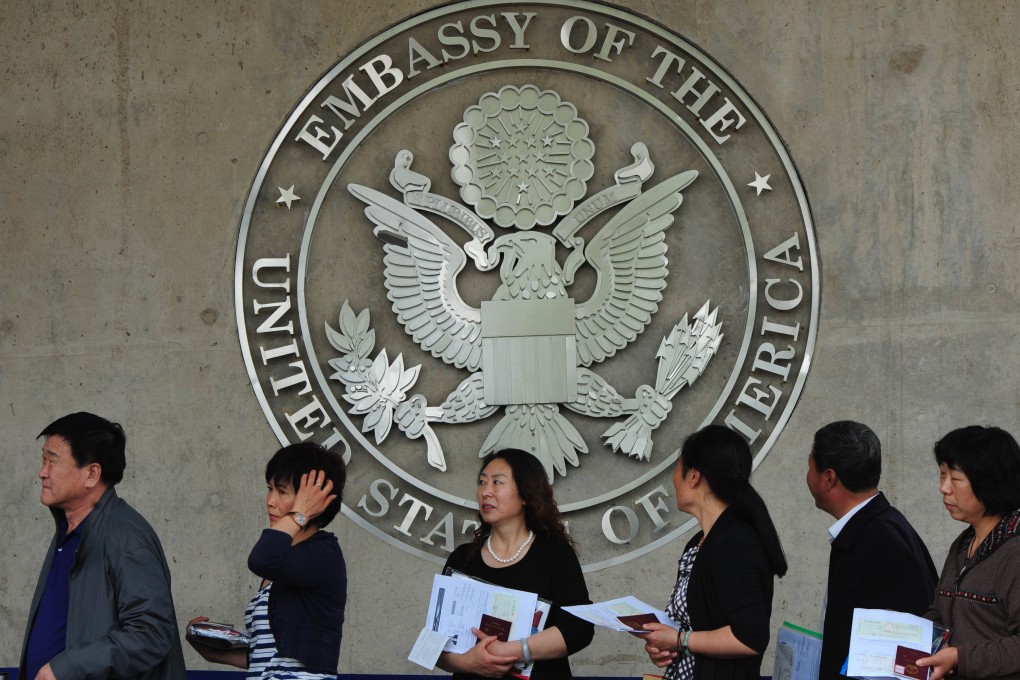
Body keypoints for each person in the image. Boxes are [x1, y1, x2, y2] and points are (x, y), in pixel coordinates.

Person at [19, 412, 187, 680]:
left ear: (91, 474)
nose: (42, 472)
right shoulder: (68, 530)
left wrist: (68, 668)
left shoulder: (125, 536)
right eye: (43, 459)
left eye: (52, 460)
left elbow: (151, 633)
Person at [638, 425, 788, 680]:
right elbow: (695, 626)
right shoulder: (700, 542)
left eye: (677, 467)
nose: (674, 478)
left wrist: (680, 639)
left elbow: (749, 637)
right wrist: (665, 645)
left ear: (694, 476)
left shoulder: (736, 542)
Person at [186, 442, 347, 678]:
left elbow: (260, 559)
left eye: (282, 492)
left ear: (314, 501)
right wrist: (214, 653)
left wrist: (299, 514)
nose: (270, 500)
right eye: (270, 488)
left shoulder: (322, 554)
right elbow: (274, 654)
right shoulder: (282, 559)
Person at [438, 448, 594, 679]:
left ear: (525, 494)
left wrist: (513, 651)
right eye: (482, 482)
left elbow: (579, 629)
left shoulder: (554, 554)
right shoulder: (462, 558)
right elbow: (435, 643)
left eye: (497, 482)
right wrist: (467, 662)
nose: (485, 492)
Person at [806, 420, 937, 680]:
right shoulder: (872, 527)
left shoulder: (881, 539)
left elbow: (914, 648)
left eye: (809, 467)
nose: (807, 476)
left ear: (829, 478)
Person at [917, 425, 1020, 680]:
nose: (944, 488)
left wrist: (960, 658)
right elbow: (940, 612)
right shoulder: (963, 544)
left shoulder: (1014, 553)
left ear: (989, 482)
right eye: (942, 475)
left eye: (955, 478)